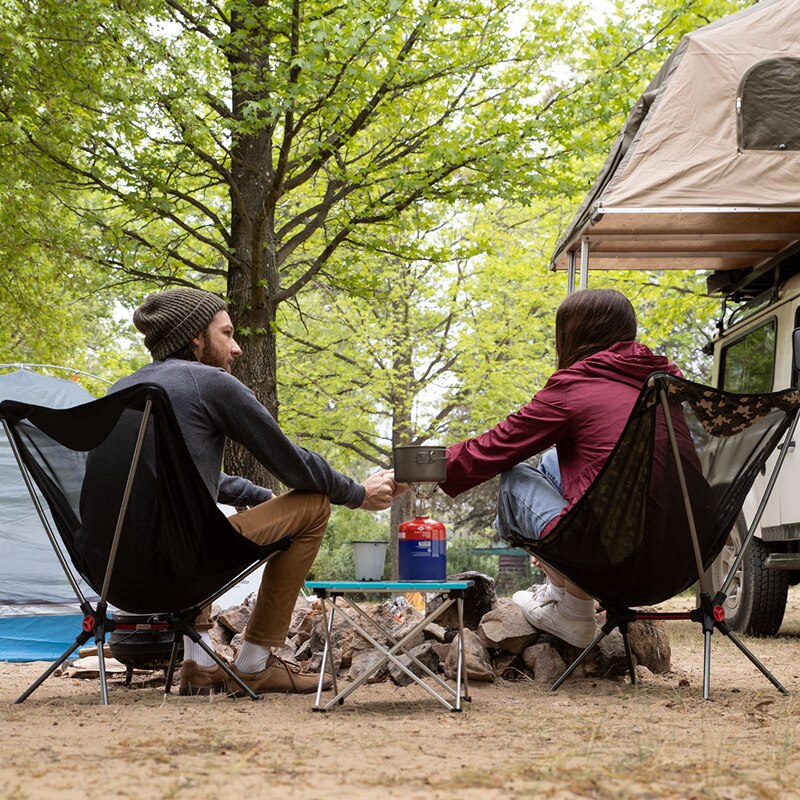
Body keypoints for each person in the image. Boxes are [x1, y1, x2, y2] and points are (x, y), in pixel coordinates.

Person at [94, 287, 397, 696]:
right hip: (181, 565)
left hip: (110, 574)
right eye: (227, 334)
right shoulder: (210, 383)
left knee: (187, 518)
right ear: (196, 339)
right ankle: (254, 664)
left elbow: (174, 477)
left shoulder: (122, 390)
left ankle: (197, 666)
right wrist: (357, 492)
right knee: (313, 504)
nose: (236, 348)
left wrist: (254, 494)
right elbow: (291, 463)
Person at [439, 289, 684, 648]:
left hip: (613, 560)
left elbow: (496, 446)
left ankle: (573, 611)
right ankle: (563, 597)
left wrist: (418, 470)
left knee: (514, 479)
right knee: (554, 461)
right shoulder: (665, 386)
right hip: (677, 560)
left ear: (572, 335)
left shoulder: (577, 386)